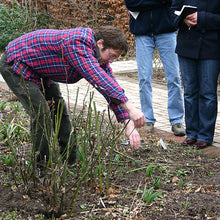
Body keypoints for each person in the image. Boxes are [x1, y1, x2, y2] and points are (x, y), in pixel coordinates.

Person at [0, 26, 146, 167]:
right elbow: (97, 77)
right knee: (41, 113)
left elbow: (107, 83)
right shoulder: (78, 43)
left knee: (59, 109)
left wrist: (128, 121)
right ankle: (42, 168)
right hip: (17, 63)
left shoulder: (95, 53)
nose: (111, 61)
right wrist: (131, 108)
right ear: (100, 44)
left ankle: (70, 160)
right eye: (112, 55)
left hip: (40, 69)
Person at [124, 0, 185, 136]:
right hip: (142, 32)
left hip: (166, 31)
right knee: (144, 78)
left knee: (174, 77)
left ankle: (176, 120)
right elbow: (131, 4)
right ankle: (148, 119)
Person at [170, 1, 220, 148]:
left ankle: (205, 135)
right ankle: (192, 133)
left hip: (211, 47)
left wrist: (201, 18)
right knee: (190, 92)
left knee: (208, 93)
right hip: (187, 46)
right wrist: (183, 19)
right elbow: (172, 12)